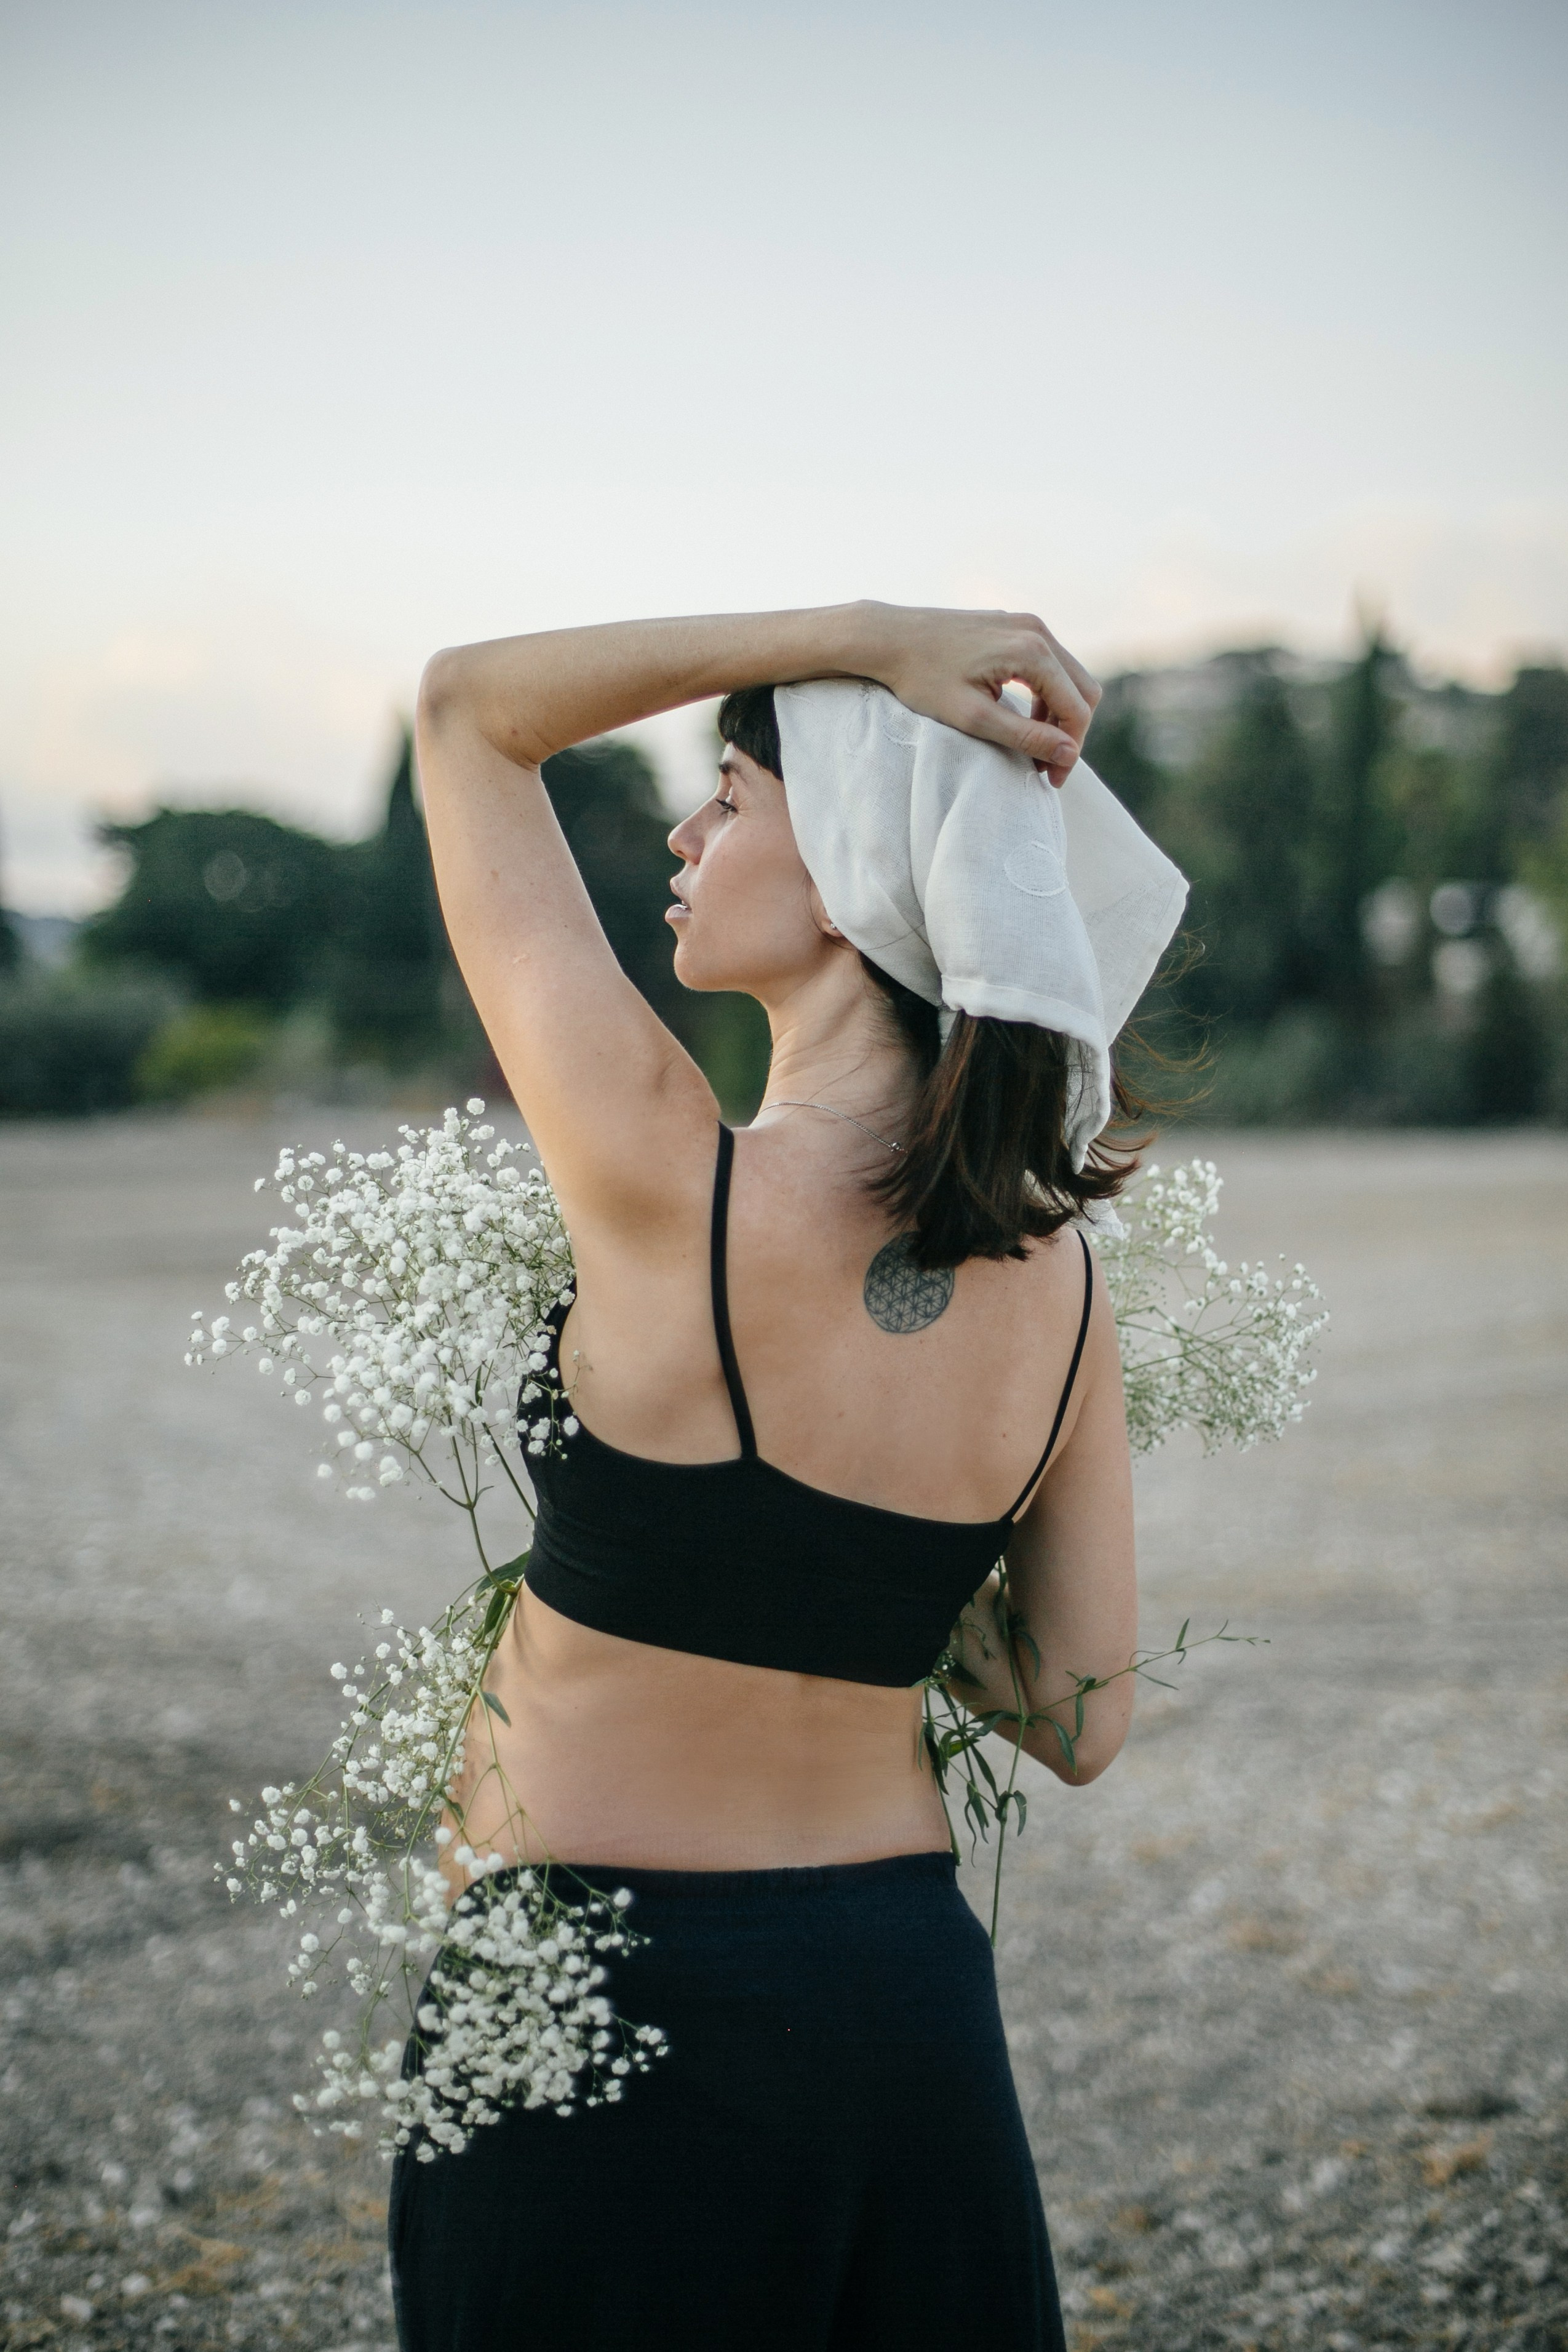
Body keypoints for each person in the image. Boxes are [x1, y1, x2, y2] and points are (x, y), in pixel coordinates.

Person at [392, 602, 1142, 2351]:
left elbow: (465, 712)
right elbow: (1081, 1712)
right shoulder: (1071, 1287)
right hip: (904, 2012)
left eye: (730, 793)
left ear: (850, 872)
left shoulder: (677, 1185)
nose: (686, 832)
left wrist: (875, 639)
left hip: (608, 2013)